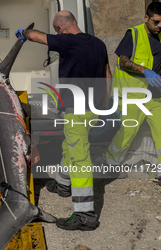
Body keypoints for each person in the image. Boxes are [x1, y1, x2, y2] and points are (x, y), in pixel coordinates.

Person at [16, 10, 112, 231]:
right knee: (73, 146)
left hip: (76, 109)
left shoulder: (67, 41)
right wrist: (103, 104)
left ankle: (85, 215)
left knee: (80, 158)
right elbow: (108, 75)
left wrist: (24, 32)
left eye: (57, 30)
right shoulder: (98, 44)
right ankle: (62, 183)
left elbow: (36, 37)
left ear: (60, 28)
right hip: (92, 109)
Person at [106, 2, 161, 189]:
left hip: (156, 95)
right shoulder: (134, 34)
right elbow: (123, 61)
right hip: (134, 94)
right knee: (127, 131)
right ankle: (110, 165)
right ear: (146, 18)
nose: (160, 26)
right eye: (156, 22)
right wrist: (145, 70)